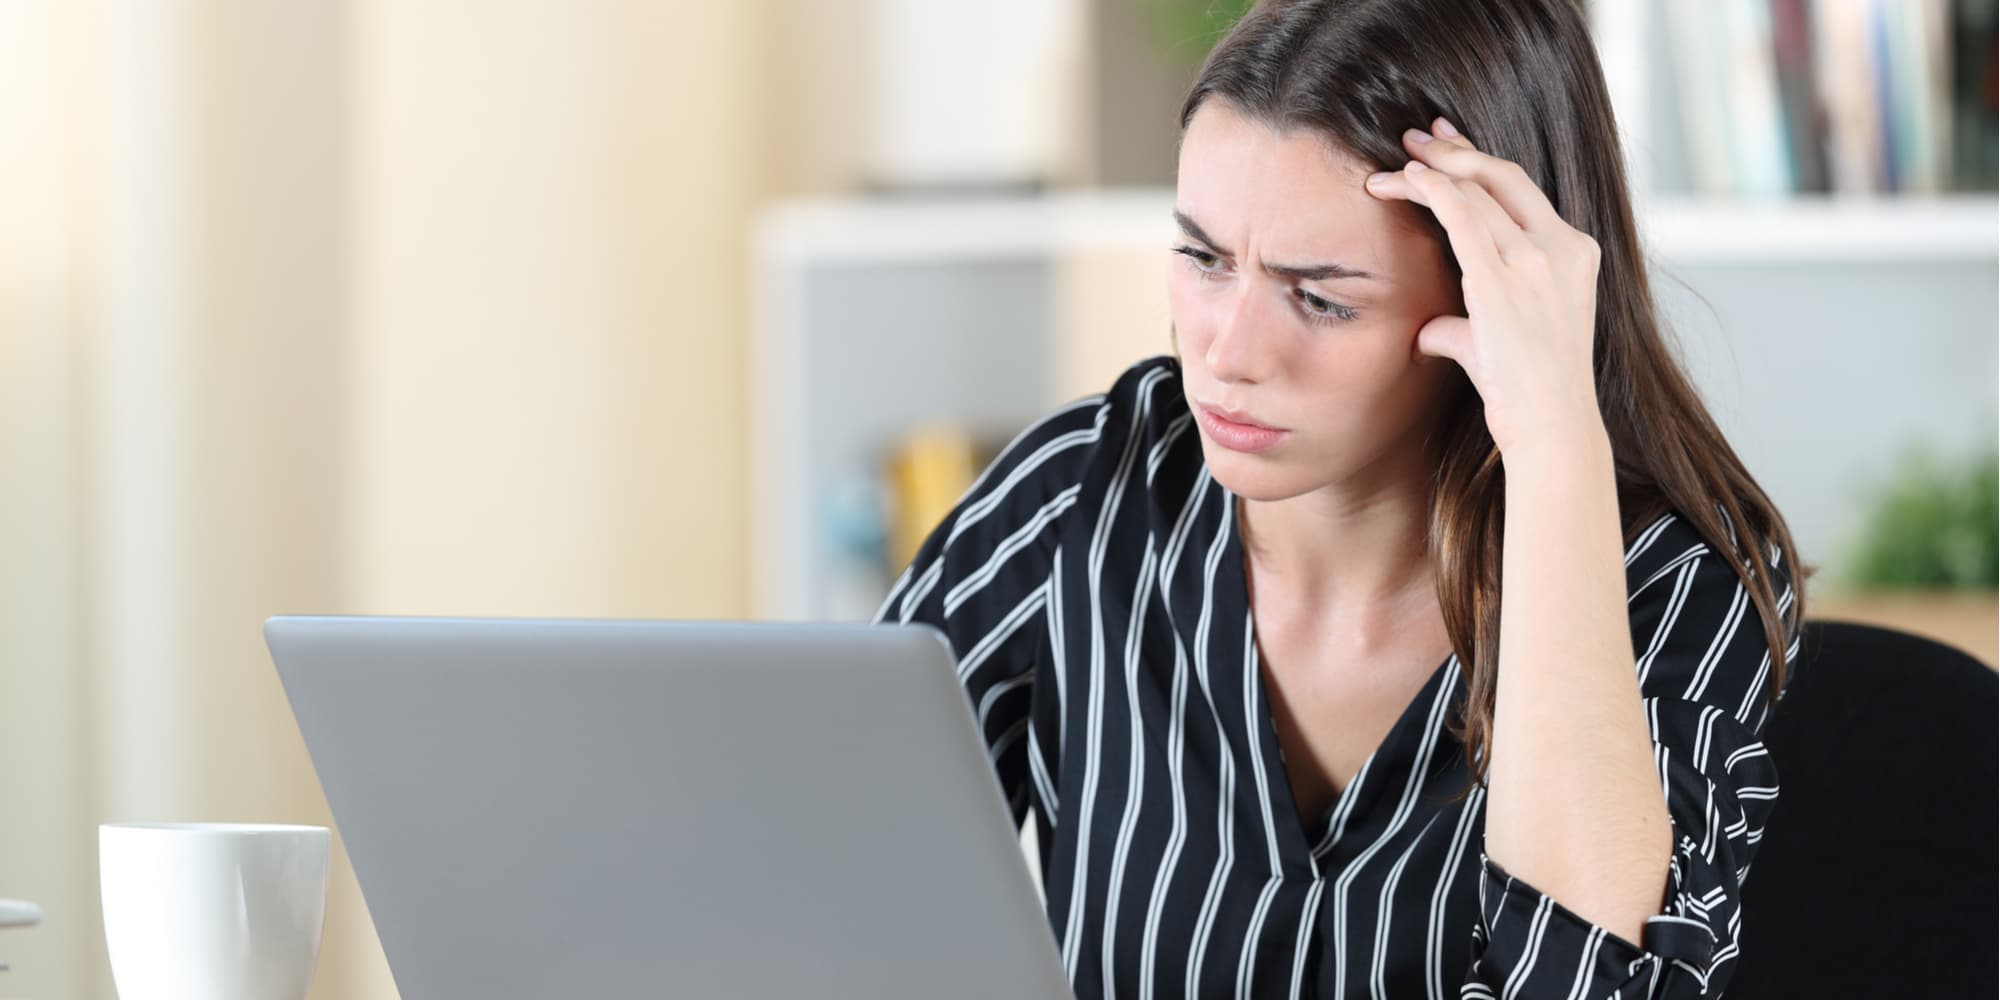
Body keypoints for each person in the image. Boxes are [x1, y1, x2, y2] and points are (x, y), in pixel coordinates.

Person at [872, 0, 1806, 996]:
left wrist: (1554, 447)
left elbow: (1591, 982)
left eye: (1318, 297)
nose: (1227, 355)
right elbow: (810, 868)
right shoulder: (1083, 498)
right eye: (1201, 258)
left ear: (1492, 298)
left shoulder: (1668, 580)